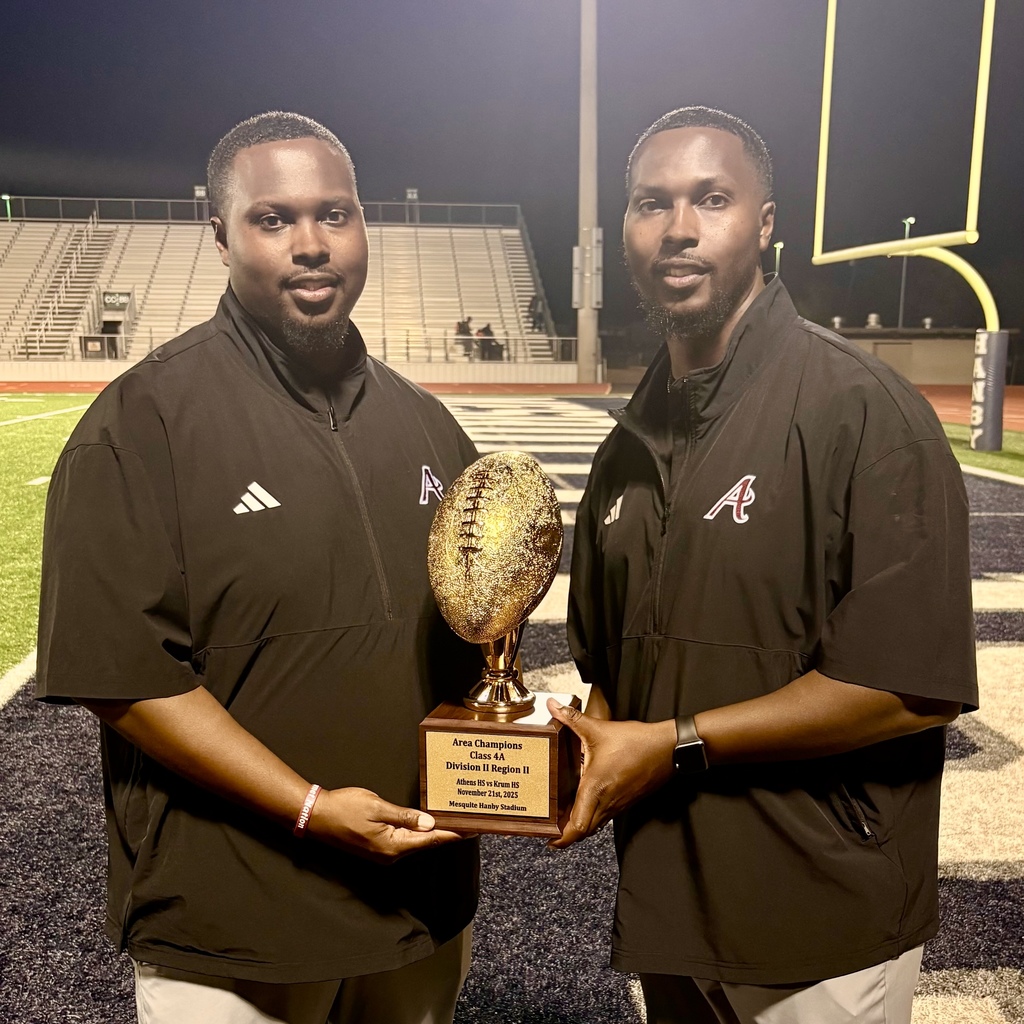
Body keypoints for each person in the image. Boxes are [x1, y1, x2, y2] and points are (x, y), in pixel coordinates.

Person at [36, 111, 482, 1024]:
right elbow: (121, 676)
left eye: (335, 214)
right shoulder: (142, 424)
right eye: (273, 219)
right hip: (235, 923)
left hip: (419, 904)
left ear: (365, 226)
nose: (312, 245)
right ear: (220, 236)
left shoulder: (431, 425)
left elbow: (476, 646)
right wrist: (311, 806)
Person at [548, 106, 977, 1024]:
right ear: (624, 229)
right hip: (672, 900)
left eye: (711, 198)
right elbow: (609, 667)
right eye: (651, 203)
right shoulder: (629, 440)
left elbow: (910, 684)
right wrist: (574, 747)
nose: (679, 227)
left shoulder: (864, 412)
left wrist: (673, 743)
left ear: (766, 222)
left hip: (820, 914)